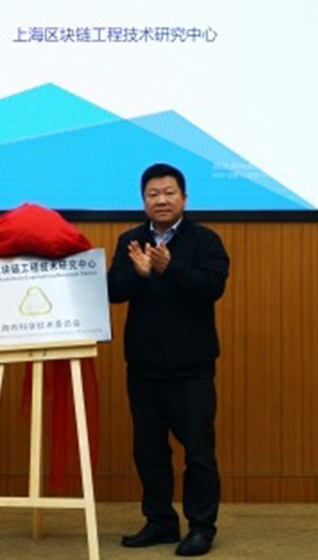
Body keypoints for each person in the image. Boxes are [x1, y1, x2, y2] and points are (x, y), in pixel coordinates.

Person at [108, 163, 229, 557]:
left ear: (184, 198)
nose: (161, 200)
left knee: (198, 453)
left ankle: (201, 527)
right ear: (143, 200)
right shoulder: (130, 240)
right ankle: (160, 521)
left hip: (192, 370)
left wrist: (169, 268)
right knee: (149, 452)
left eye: (169, 193)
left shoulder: (205, 240)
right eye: (153, 194)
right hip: (143, 368)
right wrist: (140, 274)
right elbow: (113, 290)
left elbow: (212, 287)